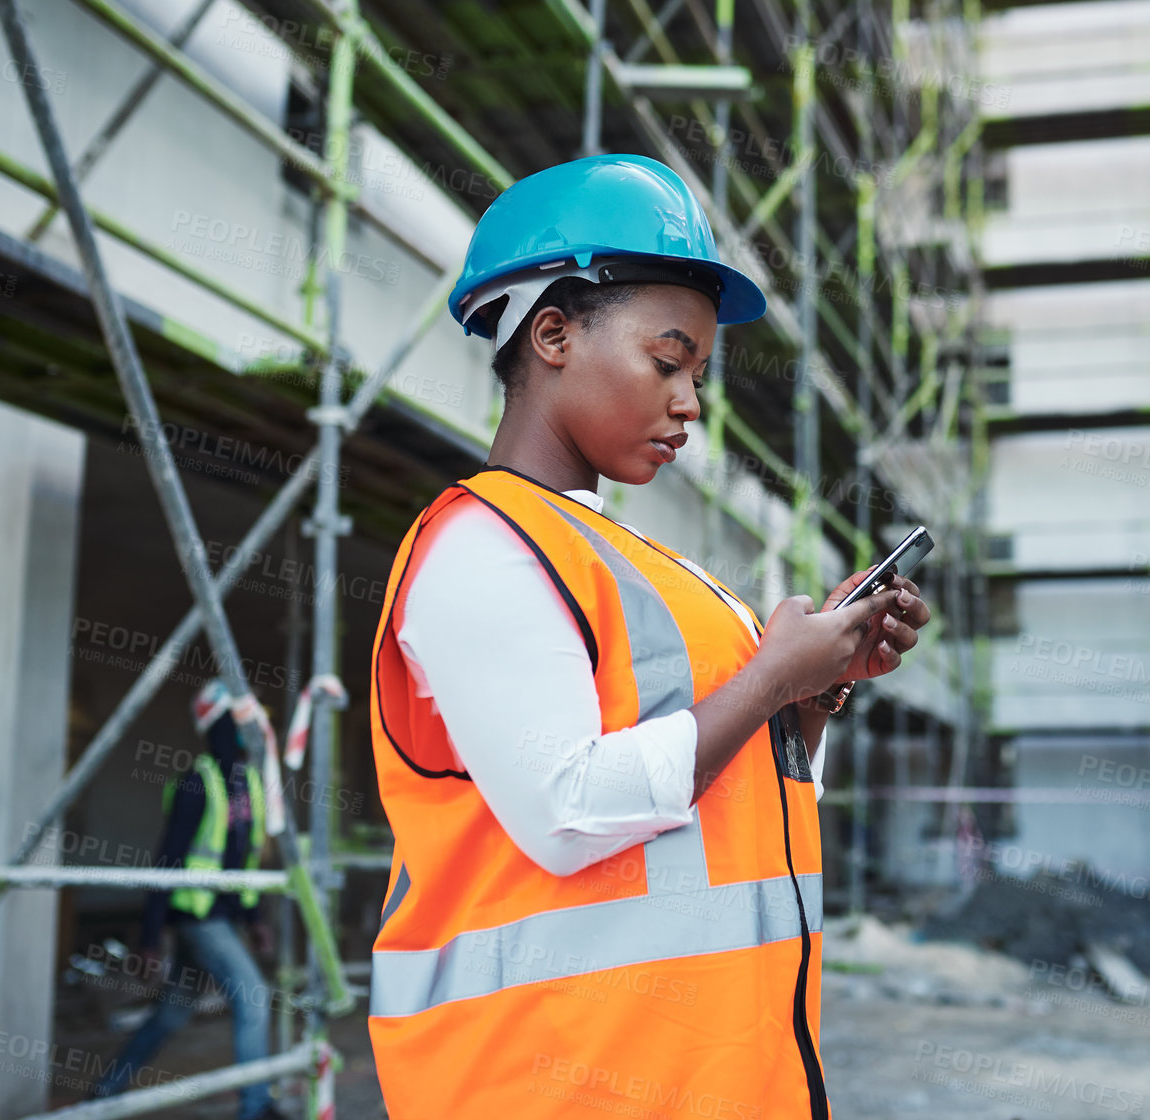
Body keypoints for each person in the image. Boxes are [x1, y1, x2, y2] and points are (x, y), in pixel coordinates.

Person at [366, 153, 931, 1119]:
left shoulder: (646, 567)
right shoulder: (481, 547)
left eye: (699, 373)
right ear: (552, 334)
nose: (691, 403)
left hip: (715, 1083)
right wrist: (764, 682)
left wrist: (812, 696)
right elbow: (571, 812)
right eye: (667, 361)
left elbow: (722, 804)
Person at [91, 678, 287, 1120]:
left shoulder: (249, 784)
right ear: (218, 723)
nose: (251, 729)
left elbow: (243, 862)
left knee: (171, 1015)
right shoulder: (197, 784)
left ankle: (104, 1090)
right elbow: (167, 861)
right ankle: (256, 1108)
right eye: (241, 720)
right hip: (198, 918)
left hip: (221, 918)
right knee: (253, 996)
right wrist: (149, 936)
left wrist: (254, 918)